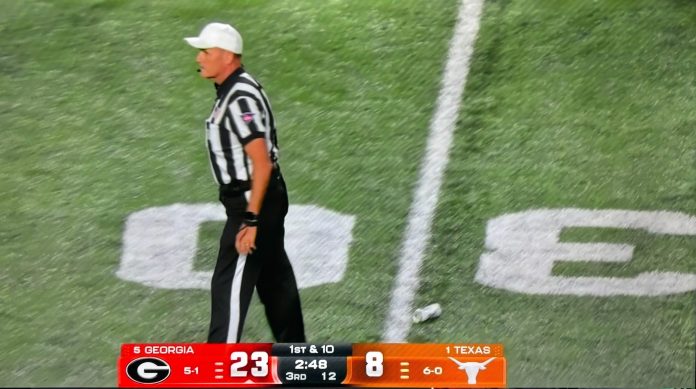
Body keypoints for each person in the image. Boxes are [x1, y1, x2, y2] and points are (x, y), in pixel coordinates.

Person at [184, 22, 305, 343]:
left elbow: (261, 163)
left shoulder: (238, 99)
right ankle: (300, 359)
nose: (199, 58)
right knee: (274, 281)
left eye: (205, 52)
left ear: (226, 56)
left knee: (229, 287)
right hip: (264, 199)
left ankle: (217, 369)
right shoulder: (239, 87)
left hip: (253, 203)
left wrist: (250, 219)